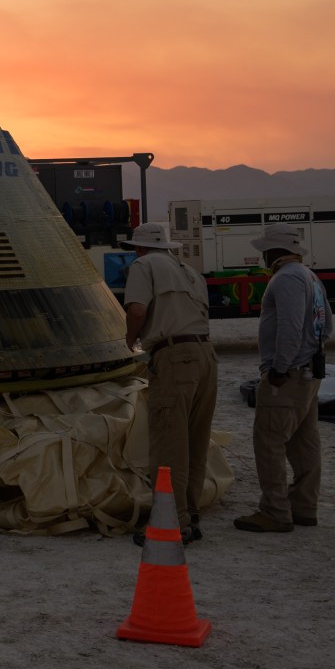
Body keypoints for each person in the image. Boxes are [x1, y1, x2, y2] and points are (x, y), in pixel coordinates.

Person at [121, 220, 218, 543]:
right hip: (205, 355)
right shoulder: (190, 272)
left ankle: (170, 524)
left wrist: (130, 340)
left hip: (174, 357)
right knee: (195, 440)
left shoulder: (143, 265)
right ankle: (190, 514)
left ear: (139, 247)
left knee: (168, 443)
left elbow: (137, 310)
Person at [236, 223, 331, 534]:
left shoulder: (286, 278)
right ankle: (304, 507)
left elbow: (289, 327)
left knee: (269, 442)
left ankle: (275, 511)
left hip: (288, 376)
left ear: (273, 251)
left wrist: (279, 368)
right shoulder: (311, 277)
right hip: (308, 373)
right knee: (305, 443)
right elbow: (326, 325)